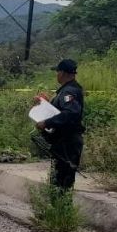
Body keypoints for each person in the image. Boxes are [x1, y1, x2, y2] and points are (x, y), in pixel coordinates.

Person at [35, 59, 85, 191]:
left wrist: (47, 122)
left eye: (57, 72)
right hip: (62, 142)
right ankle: (57, 208)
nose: (56, 75)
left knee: (63, 183)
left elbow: (70, 114)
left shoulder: (69, 91)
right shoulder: (66, 90)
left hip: (67, 143)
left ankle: (61, 209)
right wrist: (46, 104)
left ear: (62, 73)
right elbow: (60, 112)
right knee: (57, 180)